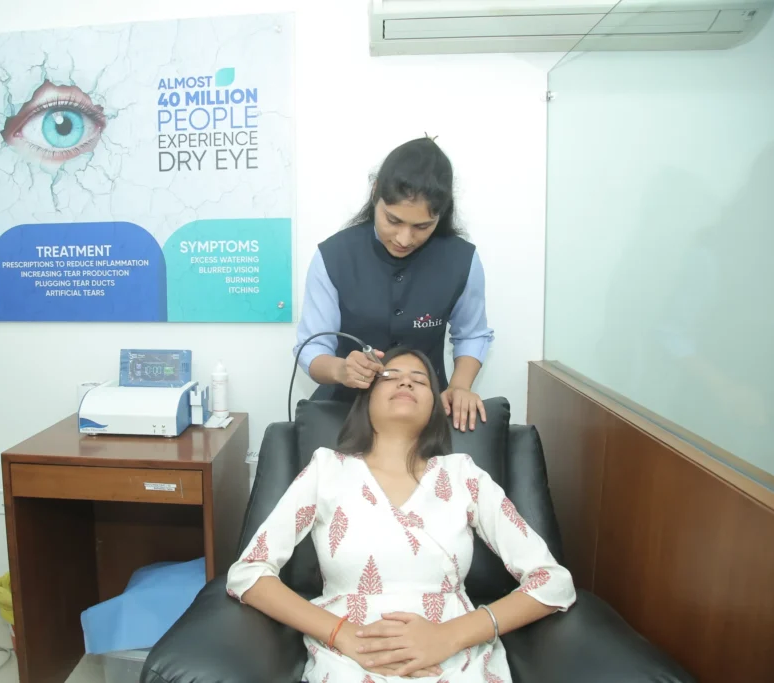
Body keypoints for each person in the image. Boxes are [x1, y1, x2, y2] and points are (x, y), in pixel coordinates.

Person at [226, 347, 576, 682]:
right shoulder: (326, 470)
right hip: (348, 660)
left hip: (454, 661)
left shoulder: (462, 475)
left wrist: (450, 636)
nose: (406, 382)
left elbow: (552, 581)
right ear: (366, 400)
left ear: (435, 408)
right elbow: (248, 573)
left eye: (420, 380)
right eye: (390, 376)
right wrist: (341, 634)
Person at [294, 137, 494, 432]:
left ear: (441, 214)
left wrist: (460, 386)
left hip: (421, 415)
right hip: (343, 413)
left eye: (422, 226)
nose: (404, 238)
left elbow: (472, 334)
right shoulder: (333, 256)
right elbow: (311, 347)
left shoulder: (462, 260)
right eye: (393, 220)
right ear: (375, 192)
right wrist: (341, 369)